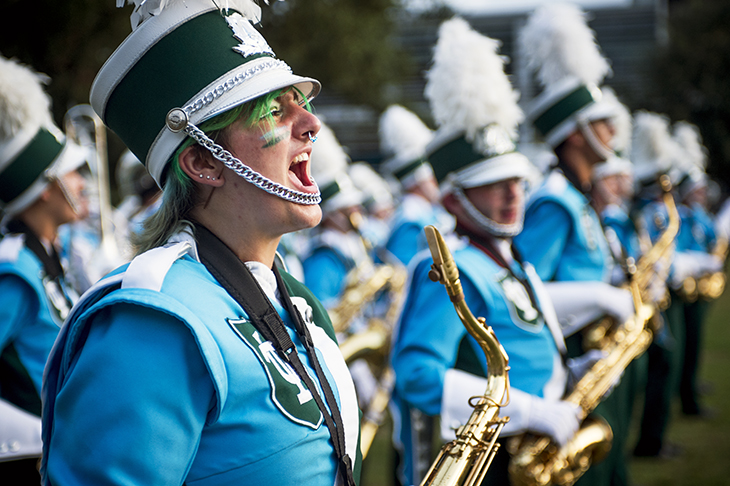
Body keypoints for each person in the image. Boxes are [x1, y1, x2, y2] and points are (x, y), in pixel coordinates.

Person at [41, 2, 361, 485]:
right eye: (274, 111)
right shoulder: (153, 319)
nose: (311, 124)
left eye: (302, 103)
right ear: (204, 164)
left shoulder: (293, 296)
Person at [390, 17, 601, 486]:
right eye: (492, 185)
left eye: (517, 181)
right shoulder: (447, 268)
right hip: (485, 459)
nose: (513, 195)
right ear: (453, 198)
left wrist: (567, 371)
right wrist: (529, 409)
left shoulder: (507, 257)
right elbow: (417, 375)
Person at [514, 4, 638, 485]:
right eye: (600, 122)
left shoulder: (580, 198)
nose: (611, 131)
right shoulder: (554, 201)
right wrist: (600, 296)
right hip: (567, 355)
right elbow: (529, 291)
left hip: (595, 347)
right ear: (575, 135)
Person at [0, 54, 88, 481]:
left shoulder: (49, 257)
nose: (82, 183)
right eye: (71, 175)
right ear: (44, 189)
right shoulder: (13, 273)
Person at [378, 104, 453, 266]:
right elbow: (403, 280)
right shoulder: (410, 221)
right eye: (432, 176)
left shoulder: (424, 212)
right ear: (419, 179)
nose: (437, 180)